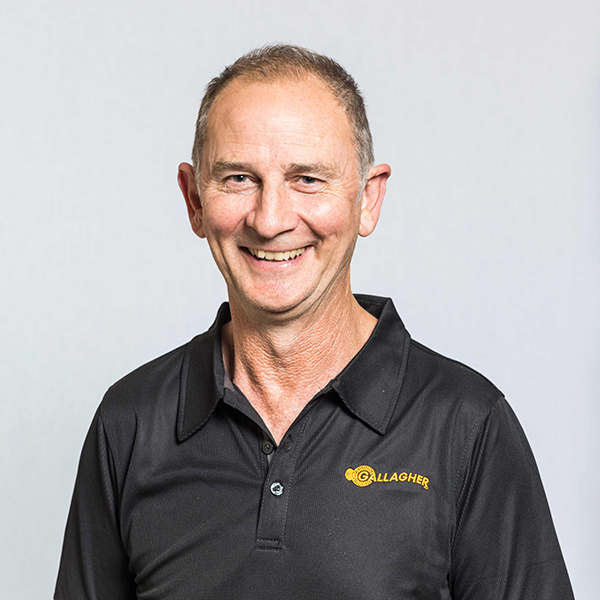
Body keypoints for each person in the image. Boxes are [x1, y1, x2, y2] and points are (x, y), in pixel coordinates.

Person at [55, 44, 574, 599]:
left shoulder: (466, 425)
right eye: (238, 178)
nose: (270, 220)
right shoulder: (131, 422)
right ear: (194, 199)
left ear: (368, 199)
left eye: (306, 178)